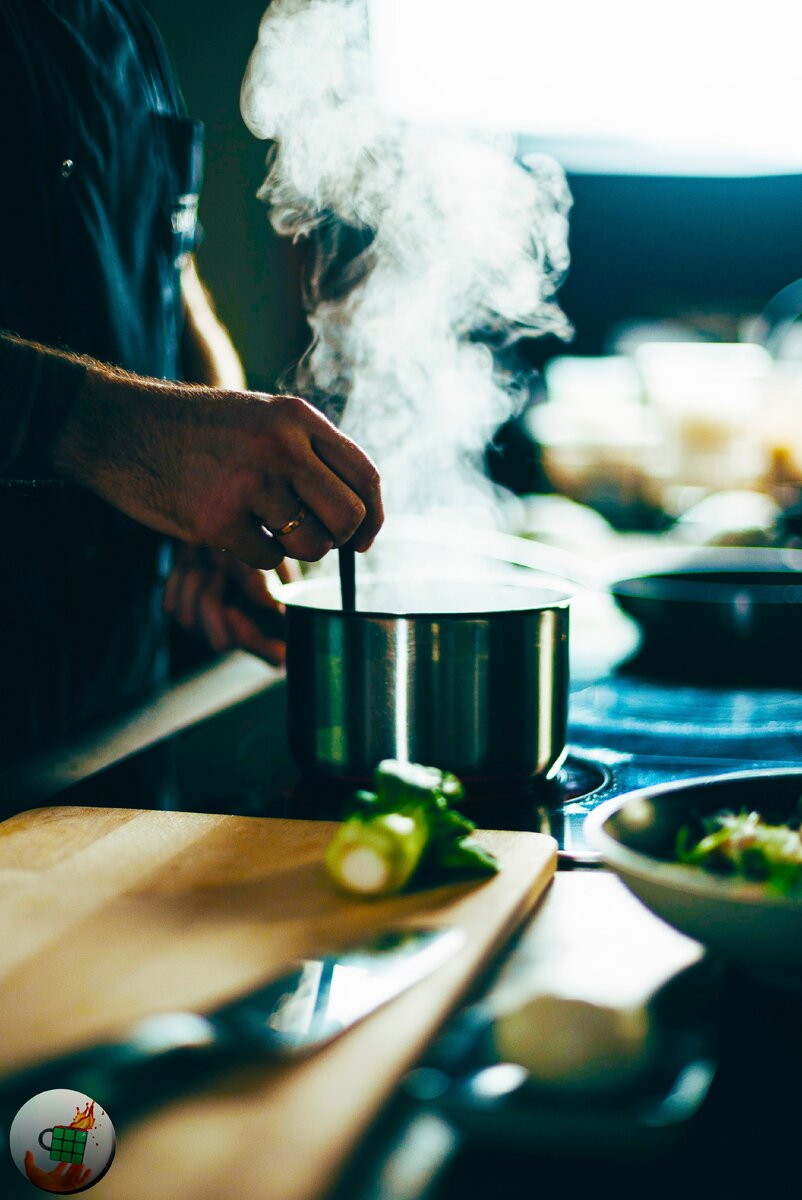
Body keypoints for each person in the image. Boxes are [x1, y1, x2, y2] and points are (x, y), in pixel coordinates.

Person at [0, 0, 383, 763]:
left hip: (106, 705)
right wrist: (133, 437)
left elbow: (168, 266)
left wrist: (218, 468)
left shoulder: (116, 23)